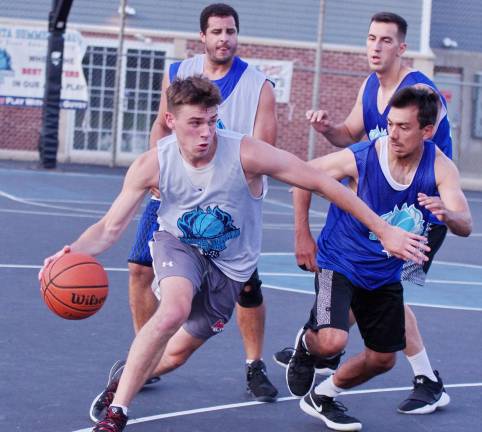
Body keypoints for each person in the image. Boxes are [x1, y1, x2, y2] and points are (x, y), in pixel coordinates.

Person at [39, 76, 429, 432]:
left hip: (231, 267)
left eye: (212, 120)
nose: (207, 131)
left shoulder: (245, 153)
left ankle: (120, 380)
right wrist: (69, 253)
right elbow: (109, 228)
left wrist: (383, 229)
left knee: (175, 356)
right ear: (172, 122)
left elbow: (323, 183)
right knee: (172, 309)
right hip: (180, 245)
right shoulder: (152, 164)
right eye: (195, 122)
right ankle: (117, 414)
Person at [274, 11, 454, 414]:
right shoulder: (371, 86)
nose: (375, 46)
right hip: (379, 210)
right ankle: (323, 339)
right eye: (371, 38)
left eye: (385, 40)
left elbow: (429, 159)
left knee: (388, 290)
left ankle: (426, 377)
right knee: (370, 286)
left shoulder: (420, 95)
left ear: (402, 47)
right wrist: (328, 130)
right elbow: (350, 134)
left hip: (418, 211)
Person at [285, 87, 472, 431]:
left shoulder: (440, 168)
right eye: (390, 124)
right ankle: (307, 344)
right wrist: (302, 235)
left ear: (427, 131)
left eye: (404, 126)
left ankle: (322, 396)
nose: (393, 133)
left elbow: (466, 223)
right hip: (339, 261)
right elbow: (301, 177)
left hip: (383, 274)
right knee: (332, 342)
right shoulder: (363, 156)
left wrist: (447, 213)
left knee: (383, 359)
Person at [126, 2, 279, 402]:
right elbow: (162, 122)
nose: (224, 39)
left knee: (247, 287)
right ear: (203, 37)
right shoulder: (179, 72)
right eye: (216, 32)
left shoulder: (258, 85)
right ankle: (147, 354)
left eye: (230, 32)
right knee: (139, 268)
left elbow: (265, 151)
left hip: (226, 203)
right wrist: (158, 167)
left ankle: (254, 364)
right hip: (177, 189)